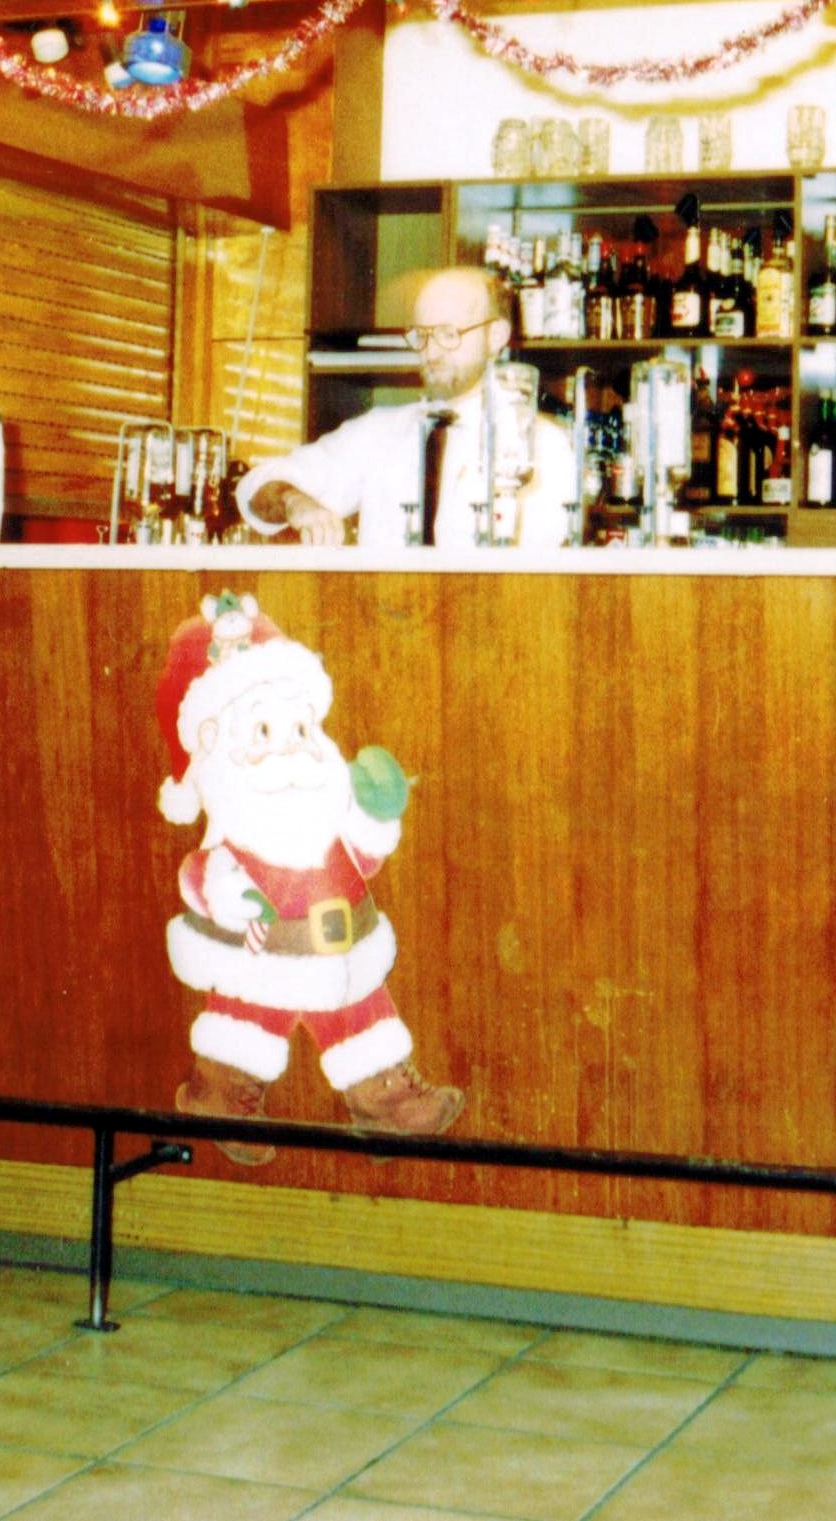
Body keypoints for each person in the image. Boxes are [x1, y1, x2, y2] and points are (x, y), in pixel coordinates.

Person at [157, 591, 463, 1158]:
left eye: (300, 731)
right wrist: (225, 891)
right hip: (259, 949)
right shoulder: (235, 823)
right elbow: (200, 875)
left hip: (343, 943)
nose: (292, 752)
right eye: (266, 734)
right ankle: (221, 1094)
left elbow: (361, 857)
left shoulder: (327, 801)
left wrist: (374, 816)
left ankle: (386, 1100)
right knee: (245, 1016)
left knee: (360, 1007)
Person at [237, 263, 578, 547]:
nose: (431, 352)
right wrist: (296, 502)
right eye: (422, 335)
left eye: (448, 334)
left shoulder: (541, 446)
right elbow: (257, 487)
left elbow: (536, 578)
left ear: (496, 336)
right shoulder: (380, 432)